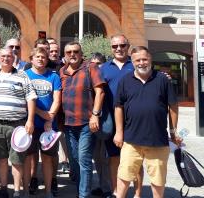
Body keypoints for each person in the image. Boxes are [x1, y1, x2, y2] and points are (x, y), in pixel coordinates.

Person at [114, 46, 181, 198]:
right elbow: (118, 107)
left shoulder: (163, 79)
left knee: (158, 179)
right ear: (132, 62)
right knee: (124, 176)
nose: (142, 63)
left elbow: (173, 106)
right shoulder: (125, 81)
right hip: (131, 140)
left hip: (157, 141)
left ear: (150, 60)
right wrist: (119, 132)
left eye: (145, 59)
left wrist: (173, 131)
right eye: (138, 60)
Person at [95, 34, 142, 198]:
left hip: (135, 119)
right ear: (111, 48)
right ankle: (116, 191)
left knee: (136, 158)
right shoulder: (104, 68)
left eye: (122, 45)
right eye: (115, 46)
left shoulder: (136, 64)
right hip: (112, 119)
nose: (119, 49)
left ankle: (137, 194)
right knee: (113, 157)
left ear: (128, 46)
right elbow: (97, 92)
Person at [59, 42, 105, 198]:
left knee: (84, 159)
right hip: (68, 124)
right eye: (69, 51)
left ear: (81, 53)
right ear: (64, 54)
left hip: (87, 123)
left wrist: (95, 114)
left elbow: (100, 92)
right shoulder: (62, 71)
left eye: (75, 51)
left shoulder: (90, 68)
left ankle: (83, 194)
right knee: (75, 160)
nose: (72, 54)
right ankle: (81, 190)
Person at [0, 48, 37, 198]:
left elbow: (31, 98)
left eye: (9, 56)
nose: (6, 59)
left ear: (13, 58)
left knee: (17, 160)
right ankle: (3, 189)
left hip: (18, 125)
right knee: (1, 159)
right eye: (3, 56)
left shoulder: (22, 76)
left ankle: (17, 191)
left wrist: (30, 120)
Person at [25, 47, 62, 198]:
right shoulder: (25, 75)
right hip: (30, 124)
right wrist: (41, 114)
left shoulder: (54, 76)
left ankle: (48, 191)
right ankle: (26, 191)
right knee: (28, 157)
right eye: (37, 56)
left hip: (49, 126)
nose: (40, 59)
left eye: (43, 57)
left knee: (47, 158)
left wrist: (50, 118)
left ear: (47, 60)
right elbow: (24, 100)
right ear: (31, 59)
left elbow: (57, 99)